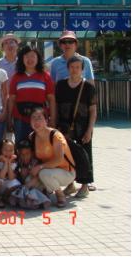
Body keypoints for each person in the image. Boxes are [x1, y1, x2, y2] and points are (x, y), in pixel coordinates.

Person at [55, 55, 97, 196]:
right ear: (68, 68)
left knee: (85, 155)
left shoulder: (88, 87)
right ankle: (70, 184)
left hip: (83, 126)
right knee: (67, 155)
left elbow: (93, 110)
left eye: (77, 67)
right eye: (72, 67)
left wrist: (89, 130)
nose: (74, 70)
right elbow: (56, 106)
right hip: (64, 126)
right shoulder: (60, 85)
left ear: (82, 69)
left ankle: (85, 185)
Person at [8, 46, 56, 143]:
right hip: (20, 119)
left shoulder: (45, 76)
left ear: (38, 58)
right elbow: (11, 99)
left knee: (39, 145)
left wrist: (53, 119)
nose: (30, 59)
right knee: (21, 145)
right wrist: (9, 118)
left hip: (40, 119)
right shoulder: (16, 77)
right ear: (22, 59)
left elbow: (51, 99)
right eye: (26, 56)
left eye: (33, 56)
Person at [29, 108, 76, 208]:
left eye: (39, 118)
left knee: (44, 174)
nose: (36, 121)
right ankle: (45, 193)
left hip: (66, 172)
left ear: (46, 121)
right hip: (48, 170)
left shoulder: (55, 136)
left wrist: (39, 167)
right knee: (29, 180)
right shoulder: (32, 137)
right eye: (33, 118)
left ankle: (60, 195)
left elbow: (59, 160)